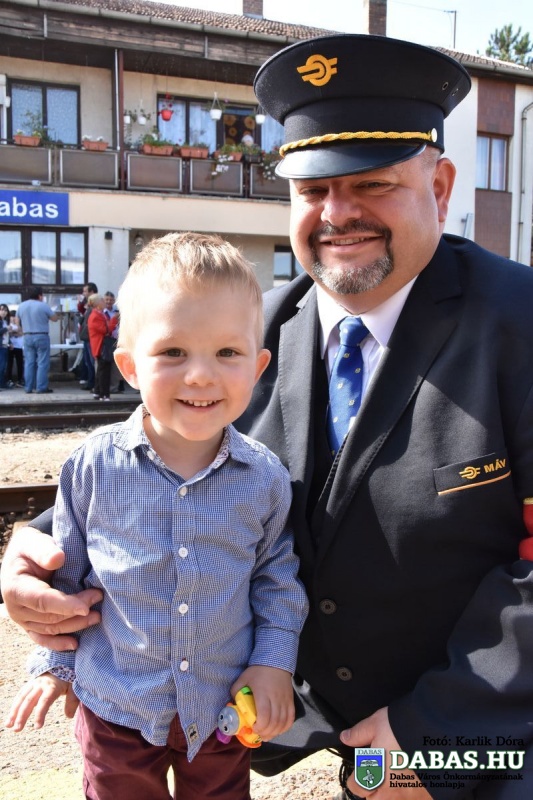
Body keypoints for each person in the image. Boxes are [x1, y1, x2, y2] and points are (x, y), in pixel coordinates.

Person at [2, 33, 533, 799]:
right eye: (312, 190)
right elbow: (169, 457)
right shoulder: (254, 333)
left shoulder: (519, 324)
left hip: (478, 724)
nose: (337, 213)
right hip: (287, 717)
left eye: (373, 183)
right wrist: (34, 550)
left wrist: (435, 735)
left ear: (440, 185)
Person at [4, 232, 308, 800]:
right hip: (116, 706)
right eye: (173, 352)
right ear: (128, 365)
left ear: (259, 365)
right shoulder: (93, 465)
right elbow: (68, 576)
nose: (200, 375)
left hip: (221, 710)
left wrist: (275, 663)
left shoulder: (265, 477)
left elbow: (275, 578)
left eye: (228, 353)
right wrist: (54, 664)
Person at [16, 287, 58, 393]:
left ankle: (28, 387)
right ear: (40, 296)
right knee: (42, 363)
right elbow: (54, 318)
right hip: (41, 335)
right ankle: (41, 387)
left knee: (29, 362)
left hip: (27, 336)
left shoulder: (22, 306)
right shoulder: (43, 305)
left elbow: (17, 321)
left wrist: (22, 331)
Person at [86, 293, 118, 401]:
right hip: (101, 346)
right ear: (98, 303)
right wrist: (114, 320)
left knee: (101, 370)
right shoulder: (96, 316)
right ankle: (104, 394)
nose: (105, 302)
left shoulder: (98, 314)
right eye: (102, 300)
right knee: (104, 371)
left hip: (100, 345)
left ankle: (98, 392)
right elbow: (105, 330)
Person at [78, 282, 98, 391]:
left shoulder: (95, 305)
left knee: (91, 361)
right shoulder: (87, 305)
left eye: (85, 291)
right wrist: (80, 303)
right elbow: (81, 311)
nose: (83, 293)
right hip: (86, 337)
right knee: (88, 361)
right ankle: (90, 382)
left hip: (91, 338)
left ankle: (93, 383)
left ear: (92, 292)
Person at [103, 291, 124, 393]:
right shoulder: (102, 312)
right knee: (106, 364)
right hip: (106, 340)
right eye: (107, 299)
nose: (109, 302)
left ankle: (114, 387)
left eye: (111, 300)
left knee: (116, 365)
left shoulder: (117, 311)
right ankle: (105, 387)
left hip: (117, 340)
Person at [6, 309, 24, 387]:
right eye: (12, 317)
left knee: (20, 363)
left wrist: (16, 328)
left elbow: (21, 333)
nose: (13, 318)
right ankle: (9, 379)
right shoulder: (7, 324)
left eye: (15, 317)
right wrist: (15, 332)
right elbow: (8, 333)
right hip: (10, 346)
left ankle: (20, 379)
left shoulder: (20, 324)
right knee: (9, 363)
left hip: (19, 346)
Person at [0, 302, 10, 389]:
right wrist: (6, 328)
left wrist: (10, 343)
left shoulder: (5, 321)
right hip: (1, 346)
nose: (4, 312)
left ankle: (2, 383)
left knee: (3, 367)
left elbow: (6, 335)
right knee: (1, 366)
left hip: (5, 346)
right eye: (2, 310)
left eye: (6, 310)